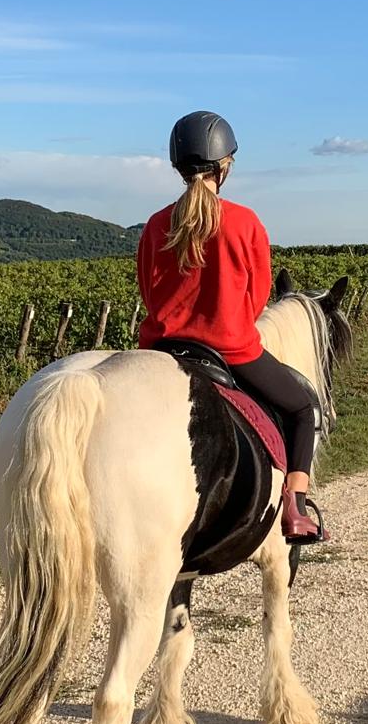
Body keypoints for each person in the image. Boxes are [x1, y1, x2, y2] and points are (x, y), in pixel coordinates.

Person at [137, 110, 324, 543]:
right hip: (231, 350)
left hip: (161, 351)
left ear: (178, 169)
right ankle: (295, 508)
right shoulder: (244, 222)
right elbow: (258, 298)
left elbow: (149, 293)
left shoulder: (155, 225)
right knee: (301, 407)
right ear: (225, 167)